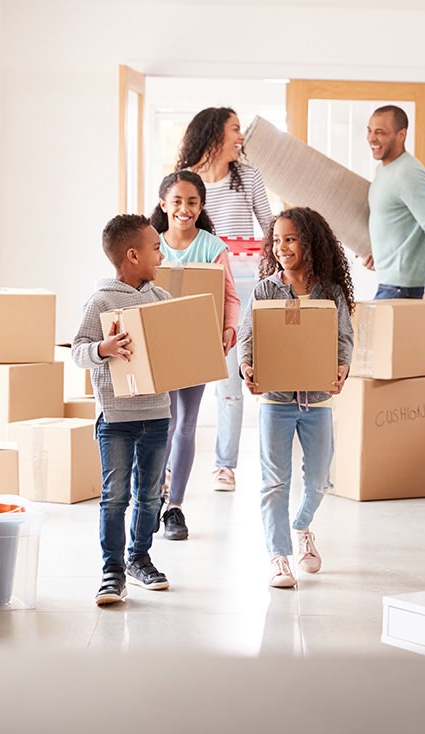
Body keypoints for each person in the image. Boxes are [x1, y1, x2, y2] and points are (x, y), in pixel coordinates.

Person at [238, 207, 354, 588]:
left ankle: (302, 526)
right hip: (275, 399)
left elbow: (343, 340)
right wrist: (247, 367)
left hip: (317, 399)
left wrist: (342, 367)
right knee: (274, 481)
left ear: (310, 242)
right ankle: (278, 556)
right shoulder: (264, 290)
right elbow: (248, 338)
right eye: (276, 241)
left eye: (290, 239)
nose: (281, 248)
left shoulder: (330, 292)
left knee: (320, 480)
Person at [72, 214, 171, 606]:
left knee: (149, 495)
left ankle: (139, 558)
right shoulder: (101, 301)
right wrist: (103, 349)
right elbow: (79, 350)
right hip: (115, 419)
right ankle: (112, 569)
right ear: (133, 255)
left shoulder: (161, 299)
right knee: (115, 495)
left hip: (158, 413)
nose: (161, 255)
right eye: (156, 248)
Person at [176, 107, 273, 493]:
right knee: (181, 374)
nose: (241, 136)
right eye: (235, 129)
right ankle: (170, 463)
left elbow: (270, 229)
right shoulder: (187, 183)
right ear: (214, 133)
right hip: (197, 284)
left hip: (243, 286)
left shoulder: (248, 177)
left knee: (231, 377)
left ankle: (224, 465)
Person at [150, 169, 241, 540]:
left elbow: (231, 297)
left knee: (186, 423)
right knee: (162, 425)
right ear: (163, 204)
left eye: (192, 202)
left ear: (201, 206)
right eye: (177, 201)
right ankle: (152, 497)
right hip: (158, 345)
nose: (184, 209)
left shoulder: (212, 247)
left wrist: (228, 330)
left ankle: (175, 508)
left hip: (197, 345)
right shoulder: (150, 242)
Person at [364, 104, 425, 301]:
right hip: (391, 285)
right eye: (369, 131)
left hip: (404, 290)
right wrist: (380, 255)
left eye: (380, 132)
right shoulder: (384, 170)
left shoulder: (408, 173)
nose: (371, 138)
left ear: (401, 134)